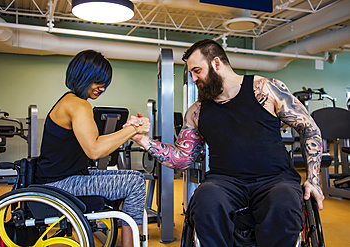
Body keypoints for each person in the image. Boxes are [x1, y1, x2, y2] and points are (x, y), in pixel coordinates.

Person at [131, 39, 324, 246]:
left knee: (285, 201)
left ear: (216, 63)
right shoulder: (197, 112)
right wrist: (142, 139)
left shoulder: (266, 89)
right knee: (205, 199)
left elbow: (309, 128)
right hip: (225, 182)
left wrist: (313, 180)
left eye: (197, 71)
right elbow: (182, 158)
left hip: (275, 179)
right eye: (192, 73)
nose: (194, 78)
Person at [35, 50, 150, 247]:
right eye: (98, 81)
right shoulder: (78, 105)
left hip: (64, 178)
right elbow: (95, 150)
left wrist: (128, 130)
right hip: (61, 184)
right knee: (135, 183)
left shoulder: (70, 101)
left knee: (136, 179)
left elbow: (94, 141)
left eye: (104, 82)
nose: (102, 88)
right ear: (83, 76)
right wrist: (134, 129)